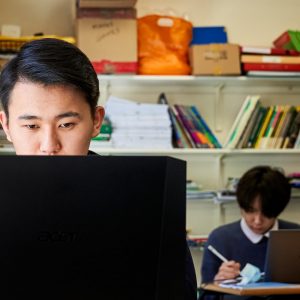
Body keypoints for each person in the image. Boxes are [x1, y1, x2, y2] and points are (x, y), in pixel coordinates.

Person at [0, 38, 197, 299]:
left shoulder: (145, 203)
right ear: (6, 126)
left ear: (96, 121)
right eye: (31, 126)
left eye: (67, 124)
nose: (49, 146)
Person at [200, 165, 300, 299]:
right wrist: (218, 283)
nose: (257, 221)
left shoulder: (295, 236)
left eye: (267, 213)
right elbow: (205, 297)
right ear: (241, 206)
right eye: (250, 211)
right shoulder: (219, 239)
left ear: (279, 210)